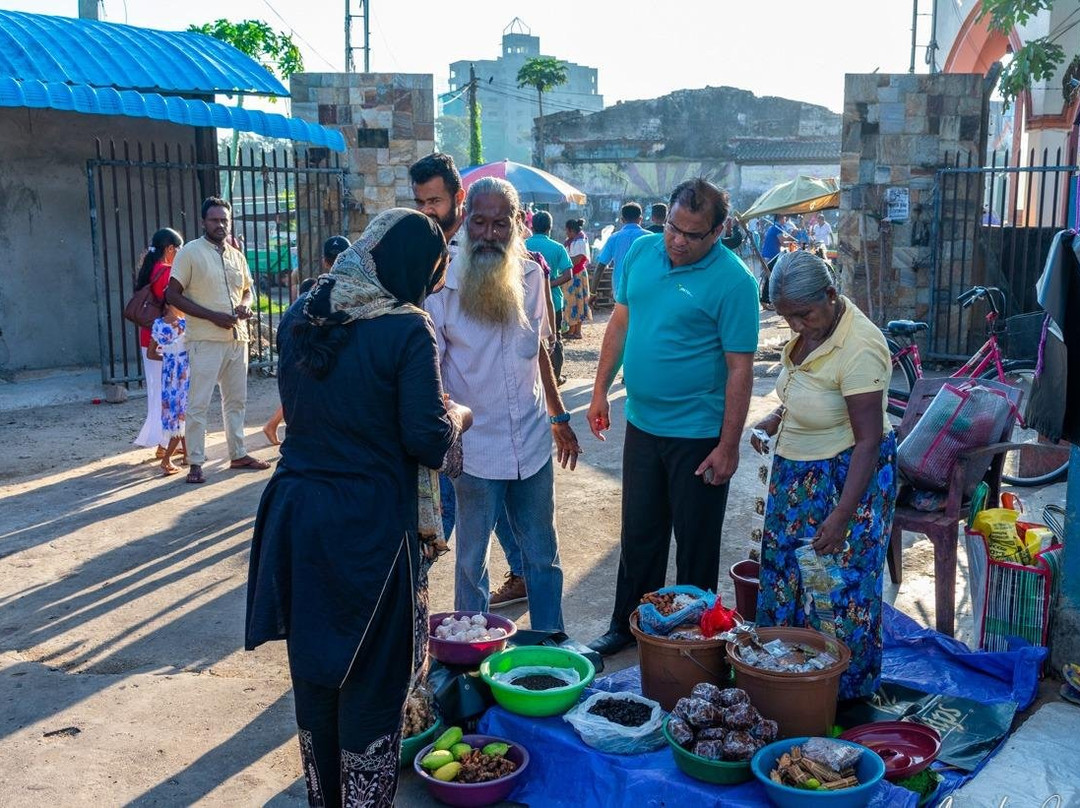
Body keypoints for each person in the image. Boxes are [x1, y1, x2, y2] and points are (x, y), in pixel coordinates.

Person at [246, 208, 470, 807]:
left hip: (298, 518)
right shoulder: (406, 328)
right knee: (372, 682)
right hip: (369, 527)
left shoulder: (302, 311)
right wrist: (460, 417)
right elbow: (427, 440)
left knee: (317, 672)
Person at [586, 179, 759, 655]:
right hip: (642, 424)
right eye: (672, 228)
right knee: (639, 534)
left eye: (692, 234)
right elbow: (620, 323)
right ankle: (626, 625)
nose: (678, 241)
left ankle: (691, 643)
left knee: (695, 544)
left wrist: (728, 446)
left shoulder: (734, 282)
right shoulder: (641, 252)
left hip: (699, 435)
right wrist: (599, 391)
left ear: (719, 231)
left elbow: (740, 369)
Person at [425, 177, 581, 629]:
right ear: (465, 220)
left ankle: (551, 639)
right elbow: (431, 374)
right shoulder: (442, 286)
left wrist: (558, 417)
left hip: (531, 441)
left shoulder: (532, 276)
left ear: (517, 224)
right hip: (475, 450)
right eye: (479, 223)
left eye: (500, 224)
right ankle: (471, 651)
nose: (489, 234)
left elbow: (540, 350)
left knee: (543, 554)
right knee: (471, 563)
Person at [750, 250, 897, 700]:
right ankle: (781, 683)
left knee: (837, 586)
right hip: (796, 475)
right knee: (786, 575)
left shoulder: (861, 347)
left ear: (831, 295)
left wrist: (841, 516)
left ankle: (840, 696)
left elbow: (868, 441)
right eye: (786, 317)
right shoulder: (812, 329)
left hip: (846, 476)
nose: (796, 326)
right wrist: (776, 417)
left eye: (803, 315)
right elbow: (807, 389)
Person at [409, 153, 532, 607]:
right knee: (449, 527)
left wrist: (557, 416)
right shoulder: (420, 255)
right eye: (421, 202)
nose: (428, 211)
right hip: (446, 421)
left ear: (457, 201)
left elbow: (532, 345)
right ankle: (416, 602)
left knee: (479, 519)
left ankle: (518, 578)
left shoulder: (518, 269)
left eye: (435, 201)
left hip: (497, 430)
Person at [167, 197, 270, 484]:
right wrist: (212, 316)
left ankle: (238, 454)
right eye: (214, 220)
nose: (220, 225)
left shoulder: (237, 255)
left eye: (225, 220)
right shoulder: (190, 253)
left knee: (236, 401)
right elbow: (172, 295)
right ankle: (195, 462)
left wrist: (245, 306)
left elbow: (247, 290)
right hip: (205, 339)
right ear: (204, 222)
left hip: (237, 338)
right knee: (198, 403)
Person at [263, 236, 351, 446]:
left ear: (324, 261)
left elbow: (283, 349)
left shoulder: (300, 306)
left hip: (301, 408)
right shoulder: (358, 302)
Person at [132, 228, 183, 460]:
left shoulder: (149, 269)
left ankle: (164, 441)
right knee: (170, 392)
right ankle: (164, 443)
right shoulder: (166, 271)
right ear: (170, 249)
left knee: (157, 391)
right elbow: (175, 305)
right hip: (165, 337)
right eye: (179, 249)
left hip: (149, 337)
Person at [525, 211, 573, 384]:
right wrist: (549, 284)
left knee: (529, 337)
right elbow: (568, 275)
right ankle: (556, 377)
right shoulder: (558, 248)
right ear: (549, 228)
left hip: (527, 299)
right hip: (554, 300)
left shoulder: (523, 245)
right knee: (555, 336)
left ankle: (533, 377)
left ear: (532, 226)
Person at [151, 305, 189, 475]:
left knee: (173, 412)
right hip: (183, 373)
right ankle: (166, 460)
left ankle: (187, 454)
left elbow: (151, 354)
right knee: (182, 413)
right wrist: (179, 359)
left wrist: (169, 358)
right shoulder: (184, 324)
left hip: (168, 375)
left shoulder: (158, 324)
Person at [595, 202, 651, 304]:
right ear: (640, 219)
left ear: (622, 220)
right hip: (644, 289)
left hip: (620, 290)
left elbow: (600, 267)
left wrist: (592, 293)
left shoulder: (614, 238)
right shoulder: (650, 237)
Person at [562, 218, 591, 340]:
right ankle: (573, 330)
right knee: (572, 302)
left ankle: (576, 331)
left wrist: (564, 267)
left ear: (571, 230)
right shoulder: (573, 240)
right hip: (574, 274)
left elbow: (577, 259)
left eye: (567, 230)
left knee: (577, 302)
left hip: (577, 274)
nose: (566, 233)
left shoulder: (579, 241)